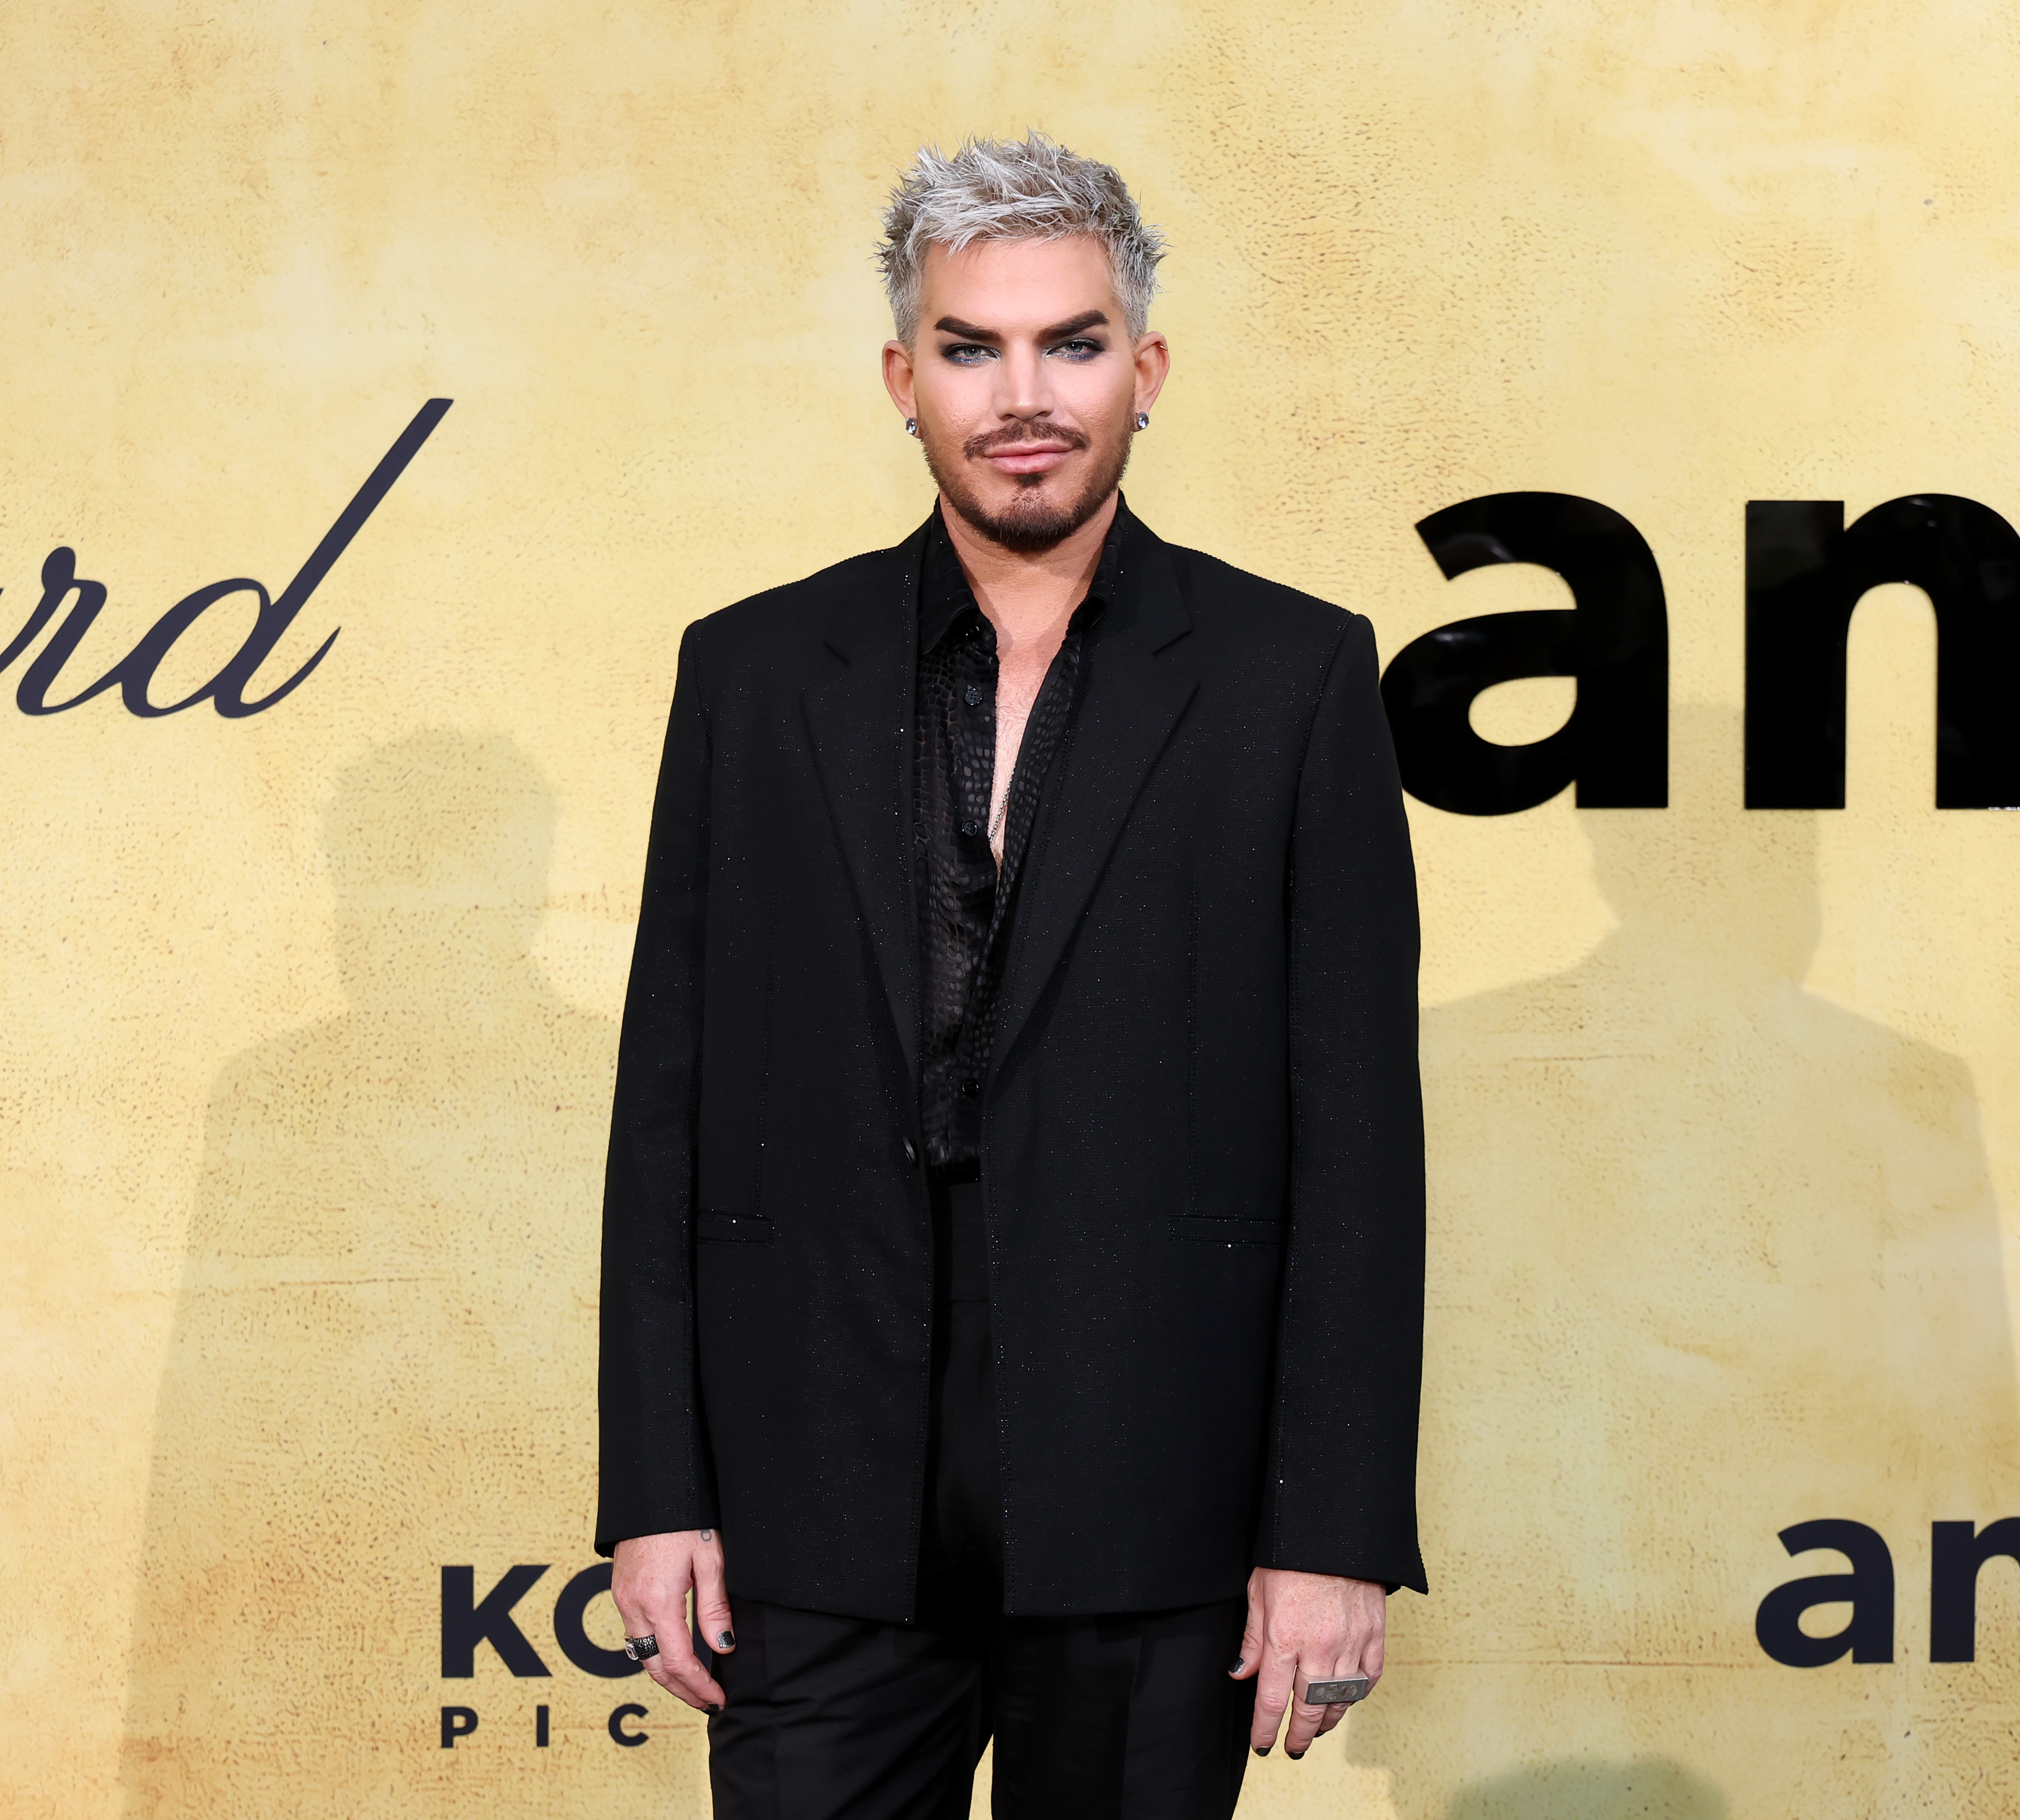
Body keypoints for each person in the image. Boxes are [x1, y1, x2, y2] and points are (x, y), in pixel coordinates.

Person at [595, 133, 1425, 1819]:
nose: (1023, 395)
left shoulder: (1294, 675)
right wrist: (656, 1485)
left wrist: (1331, 1529)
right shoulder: (752, 671)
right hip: (815, 1482)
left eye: (1073, 342)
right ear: (904, 379)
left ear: (1149, 368)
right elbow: (667, 1110)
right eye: (972, 348)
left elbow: (1358, 1142)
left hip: (1153, 1478)